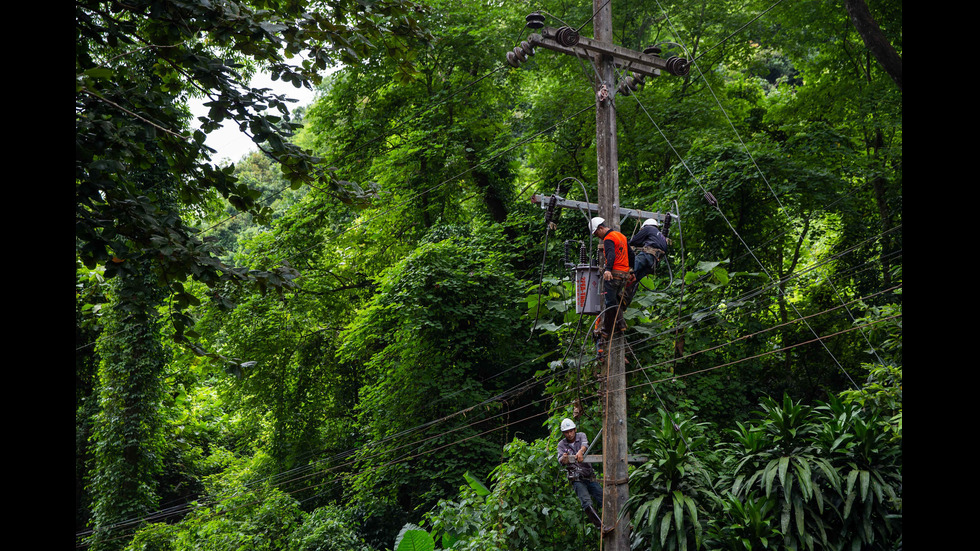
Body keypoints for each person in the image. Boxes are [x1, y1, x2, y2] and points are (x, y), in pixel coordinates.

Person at [557, 418, 611, 533]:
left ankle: (617, 522)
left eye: (571, 431)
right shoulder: (562, 444)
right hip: (576, 479)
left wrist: (581, 451)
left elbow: (585, 444)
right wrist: (564, 458)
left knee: (604, 498)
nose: (569, 434)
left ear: (575, 429)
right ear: (563, 433)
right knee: (586, 502)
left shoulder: (581, 436)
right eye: (566, 432)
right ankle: (601, 528)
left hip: (589, 476)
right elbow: (560, 459)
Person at [588, 216, 634, 340]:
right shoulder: (621, 236)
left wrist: (608, 269)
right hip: (624, 275)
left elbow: (611, 254)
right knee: (614, 301)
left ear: (601, 228)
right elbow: (631, 254)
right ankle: (621, 324)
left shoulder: (609, 238)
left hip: (614, 274)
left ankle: (606, 330)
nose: (598, 236)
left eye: (596, 233)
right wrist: (632, 270)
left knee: (609, 303)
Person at [627, 217, 668, 289]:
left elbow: (635, 241)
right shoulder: (660, 235)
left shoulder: (648, 228)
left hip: (647, 255)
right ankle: (626, 294)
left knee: (628, 270)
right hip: (654, 262)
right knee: (635, 278)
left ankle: (619, 289)